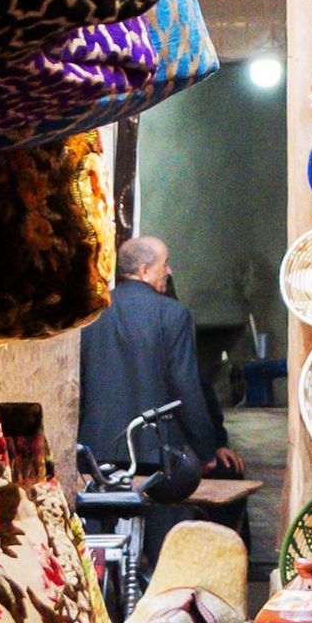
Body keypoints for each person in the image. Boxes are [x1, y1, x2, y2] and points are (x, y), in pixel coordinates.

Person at [78, 232, 242, 543]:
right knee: (163, 547)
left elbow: (81, 385)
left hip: (97, 455)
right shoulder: (172, 313)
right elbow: (186, 386)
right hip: (157, 457)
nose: (169, 272)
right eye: (164, 265)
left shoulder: (93, 313)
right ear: (143, 270)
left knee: (98, 547)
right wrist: (205, 448)